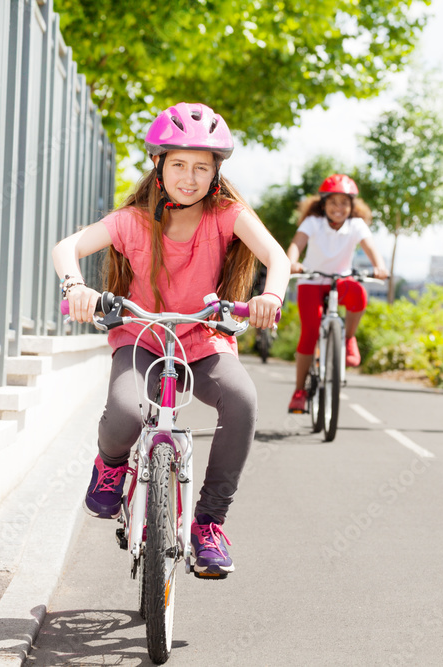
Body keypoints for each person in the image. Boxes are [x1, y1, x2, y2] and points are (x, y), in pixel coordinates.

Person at [51, 102, 289, 577]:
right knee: (126, 412)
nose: (190, 176)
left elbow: (276, 256)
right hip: (141, 336)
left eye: (202, 167)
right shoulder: (132, 221)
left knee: (241, 401)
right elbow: (68, 247)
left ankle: (208, 525)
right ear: (158, 166)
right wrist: (75, 286)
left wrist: (271, 295)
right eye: (179, 163)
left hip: (203, 335)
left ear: (216, 173)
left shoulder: (226, 215)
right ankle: (112, 464)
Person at [285, 174, 389, 413]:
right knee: (310, 332)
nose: (338, 208)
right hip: (311, 281)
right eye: (333, 202)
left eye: (344, 202)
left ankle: (349, 338)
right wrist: (292, 262)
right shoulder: (313, 222)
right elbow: (296, 244)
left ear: (352, 206)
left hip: (341, 280)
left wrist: (380, 267)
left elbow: (371, 247)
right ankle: (300, 391)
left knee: (359, 294)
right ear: (323, 204)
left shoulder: (356, 225)